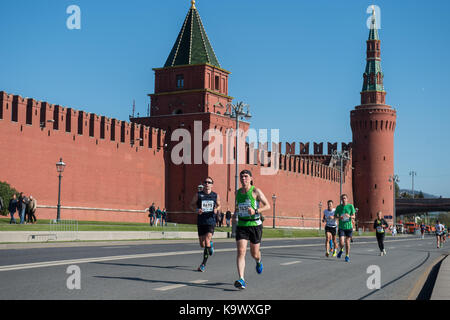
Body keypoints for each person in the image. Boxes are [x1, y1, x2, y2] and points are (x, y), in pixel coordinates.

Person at [234, 169, 270, 289]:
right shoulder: (237, 192)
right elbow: (238, 206)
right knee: (241, 251)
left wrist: (256, 211)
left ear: (250, 178)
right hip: (242, 225)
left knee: (254, 253)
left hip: (255, 225)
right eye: (241, 177)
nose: (243, 179)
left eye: (245, 176)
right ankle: (241, 279)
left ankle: (258, 261)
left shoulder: (255, 191)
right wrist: (236, 213)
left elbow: (268, 205)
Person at [190, 177, 221, 272]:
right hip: (201, 221)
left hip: (211, 221)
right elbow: (191, 205)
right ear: (203, 184)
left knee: (207, 240)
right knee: (202, 244)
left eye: (209, 182)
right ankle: (210, 245)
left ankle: (203, 264)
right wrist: (196, 210)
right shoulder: (198, 195)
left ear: (212, 184)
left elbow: (219, 205)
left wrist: (217, 209)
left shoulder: (215, 195)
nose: (207, 184)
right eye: (206, 182)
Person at [335, 194, 356, 262]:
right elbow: (335, 216)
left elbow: (354, 216)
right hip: (341, 227)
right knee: (341, 242)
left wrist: (349, 216)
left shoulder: (350, 206)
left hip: (349, 227)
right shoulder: (338, 207)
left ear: (347, 199)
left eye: (345, 198)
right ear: (341, 200)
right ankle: (341, 250)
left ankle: (347, 256)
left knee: (347, 242)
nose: (343, 200)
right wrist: (339, 217)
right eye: (342, 198)